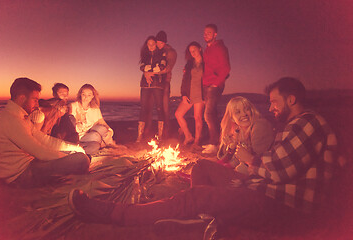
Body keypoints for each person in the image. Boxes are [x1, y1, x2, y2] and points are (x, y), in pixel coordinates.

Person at [68, 77, 341, 234]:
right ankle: (203, 219)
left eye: (274, 101)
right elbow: (255, 162)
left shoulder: (308, 123)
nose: (270, 107)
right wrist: (238, 155)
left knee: (195, 196)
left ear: (291, 99)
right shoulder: (294, 126)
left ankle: (113, 213)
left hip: (279, 206)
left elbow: (277, 170)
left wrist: (249, 160)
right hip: (261, 187)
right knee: (202, 167)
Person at [0, 78, 90, 188]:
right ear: (21, 98)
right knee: (81, 160)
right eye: (34, 99)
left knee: (77, 154)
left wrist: (75, 148)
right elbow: (41, 153)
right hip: (21, 176)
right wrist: (68, 157)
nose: (37, 103)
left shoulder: (20, 118)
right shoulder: (10, 120)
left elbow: (45, 140)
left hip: (31, 164)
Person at [201, 24, 230, 154]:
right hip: (206, 84)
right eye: (205, 32)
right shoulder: (207, 50)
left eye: (209, 32)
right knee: (212, 114)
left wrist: (216, 83)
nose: (206, 34)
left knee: (208, 114)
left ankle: (214, 144)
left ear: (215, 34)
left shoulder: (220, 48)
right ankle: (216, 142)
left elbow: (226, 68)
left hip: (214, 85)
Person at [70, 84, 116, 155]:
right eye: (83, 95)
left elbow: (102, 122)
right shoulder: (73, 106)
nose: (86, 97)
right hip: (79, 135)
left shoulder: (94, 108)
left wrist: (110, 131)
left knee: (102, 128)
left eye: (89, 95)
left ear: (93, 96)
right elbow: (68, 123)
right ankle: (104, 146)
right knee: (96, 136)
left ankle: (110, 145)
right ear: (80, 95)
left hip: (90, 132)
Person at [137, 36, 167, 142]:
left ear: (156, 44)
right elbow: (141, 67)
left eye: (153, 44)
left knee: (159, 108)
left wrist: (148, 72)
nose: (151, 46)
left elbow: (162, 67)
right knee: (143, 108)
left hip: (157, 84)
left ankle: (160, 135)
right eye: (149, 44)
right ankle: (139, 135)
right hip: (145, 84)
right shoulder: (144, 55)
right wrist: (147, 71)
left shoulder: (162, 54)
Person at [175, 41, 205, 146]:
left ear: (200, 49)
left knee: (197, 117)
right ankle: (188, 136)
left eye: (194, 50)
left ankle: (196, 142)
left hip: (200, 94)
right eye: (191, 51)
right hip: (189, 94)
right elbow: (184, 80)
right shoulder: (189, 64)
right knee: (178, 114)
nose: (193, 53)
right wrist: (183, 94)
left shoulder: (206, 62)